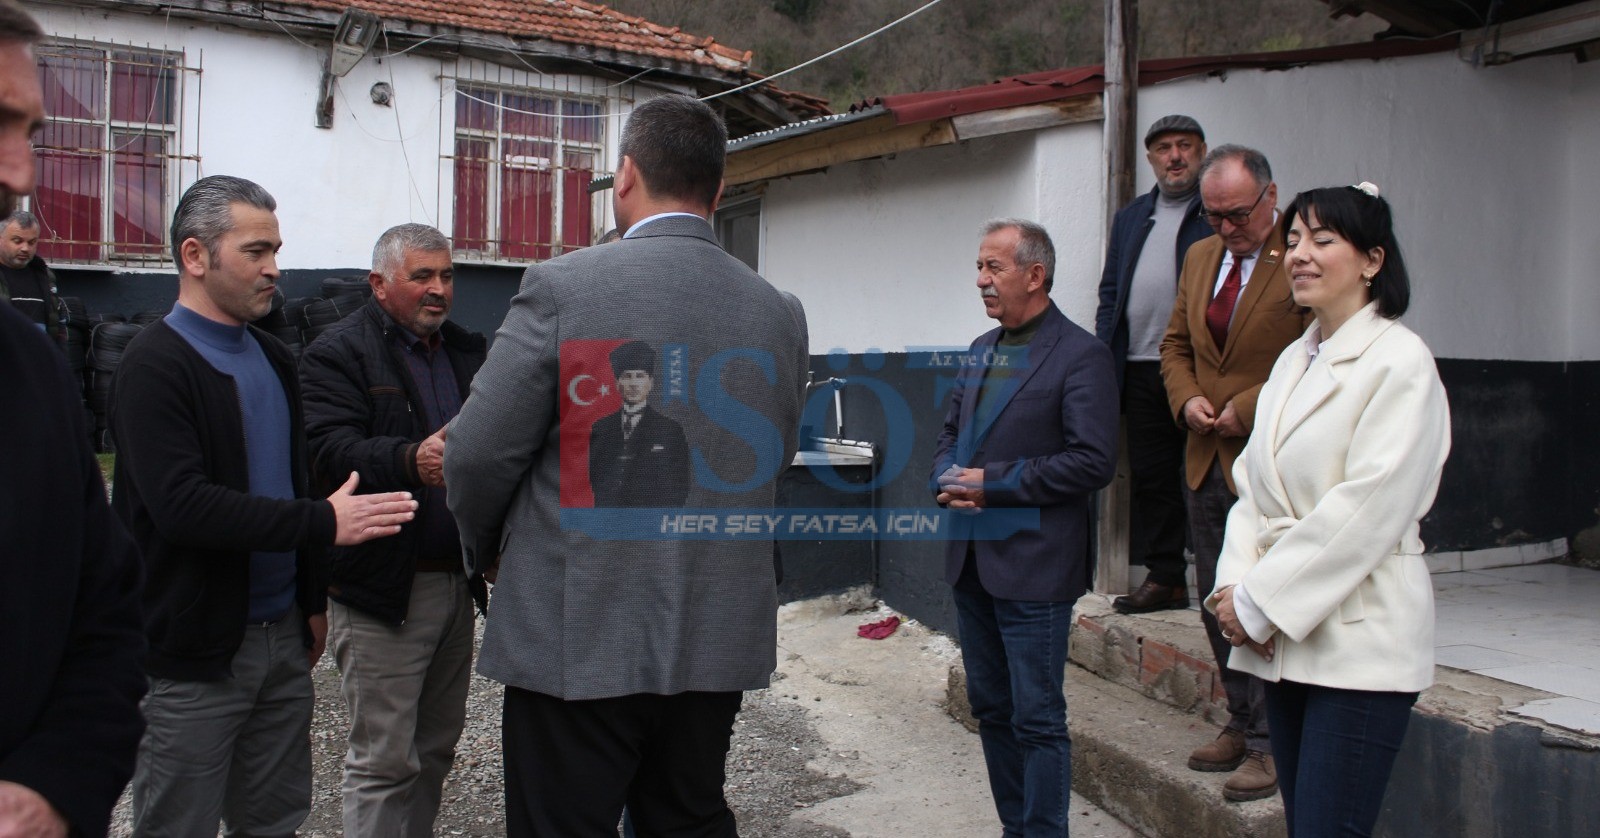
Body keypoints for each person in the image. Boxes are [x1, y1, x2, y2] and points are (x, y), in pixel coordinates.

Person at [445, 94, 809, 836]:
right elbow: (771, 459)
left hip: (579, 627)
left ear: (627, 176)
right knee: (687, 816)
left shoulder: (561, 286)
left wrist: (486, 549)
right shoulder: (778, 310)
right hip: (713, 625)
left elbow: (477, 452)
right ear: (718, 190)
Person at [109, 175, 419, 837]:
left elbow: (293, 481)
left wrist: (309, 601)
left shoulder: (275, 358)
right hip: (193, 651)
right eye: (255, 251)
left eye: (275, 250)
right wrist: (324, 523)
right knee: (177, 826)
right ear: (195, 256)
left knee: (275, 820)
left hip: (282, 640)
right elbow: (183, 508)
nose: (274, 268)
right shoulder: (154, 364)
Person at [1209, 183, 1449, 836]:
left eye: (1322, 240)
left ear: (1372, 259)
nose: (1299, 255)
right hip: (1286, 638)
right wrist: (1232, 587)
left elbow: (1365, 511)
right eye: (1292, 241)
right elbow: (1253, 489)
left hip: (1360, 639)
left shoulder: (1401, 363)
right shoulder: (1295, 359)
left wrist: (1256, 602)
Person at [0, 4, 147, 836]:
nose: (21, 172)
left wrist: (51, 786)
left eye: (30, 132)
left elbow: (105, 613)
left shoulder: (30, 372)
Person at [300, 223, 487, 836]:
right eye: (422, 276)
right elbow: (327, 450)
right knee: (383, 762)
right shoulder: (338, 353)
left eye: (447, 275)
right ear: (378, 284)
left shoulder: (466, 351)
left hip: (455, 584)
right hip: (382, 588)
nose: (439, 289)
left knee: (434, 750)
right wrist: (410, 460)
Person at [933, 219, 1118, 836]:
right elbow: (948, 436)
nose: (981, 280)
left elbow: (1092, 461)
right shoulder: (980, 350)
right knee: (991, 709)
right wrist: (945, 479)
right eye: (979, 267)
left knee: (1037, 719)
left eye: (994, 267)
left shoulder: (1082, 355)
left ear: (1035, 275)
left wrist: (994, 484)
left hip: (1036, 569)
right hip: (971, 563)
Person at [1159, 144, 1311, 802]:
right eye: (1213, 215)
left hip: (1271, 458)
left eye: (1238, 214)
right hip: (1204, 455)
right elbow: (1175, 344)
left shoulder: (1300, 259)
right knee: (1216, 598)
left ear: (1271, 198)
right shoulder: (1200, 257)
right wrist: (1186, 398)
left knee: (1264, 598)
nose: (1226, 228)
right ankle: (1242, 720)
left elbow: (1312, 350)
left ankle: (1274, 742)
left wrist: (1244, 407)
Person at [1094, 115, 1214, 614]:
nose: (1175, 156)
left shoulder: (1214, 212)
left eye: (1184, 146)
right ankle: (1167, 578)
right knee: (1152, 476)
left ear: (1201, 152)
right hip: (1139, 366)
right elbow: (1110, 292)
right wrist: (1104, 356)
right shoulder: (1131, 217)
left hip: (1201, 369)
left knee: (1211, 476)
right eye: (1164, 148)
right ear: (1150, 158)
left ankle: (1223, 580)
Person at [588, 339, 690, 508]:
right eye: (627, 376)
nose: (634, 384)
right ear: (617, 384)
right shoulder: (602, 428)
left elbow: (679, 487)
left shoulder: (670, 430)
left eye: (640, 376)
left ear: (650, 383)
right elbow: (597, 479)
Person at [0, 210, 64, 343]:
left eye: (31, 242)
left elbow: (57, 326)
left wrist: (59, 353)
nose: (25, 248)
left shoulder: (45, 276)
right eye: (17, 241)